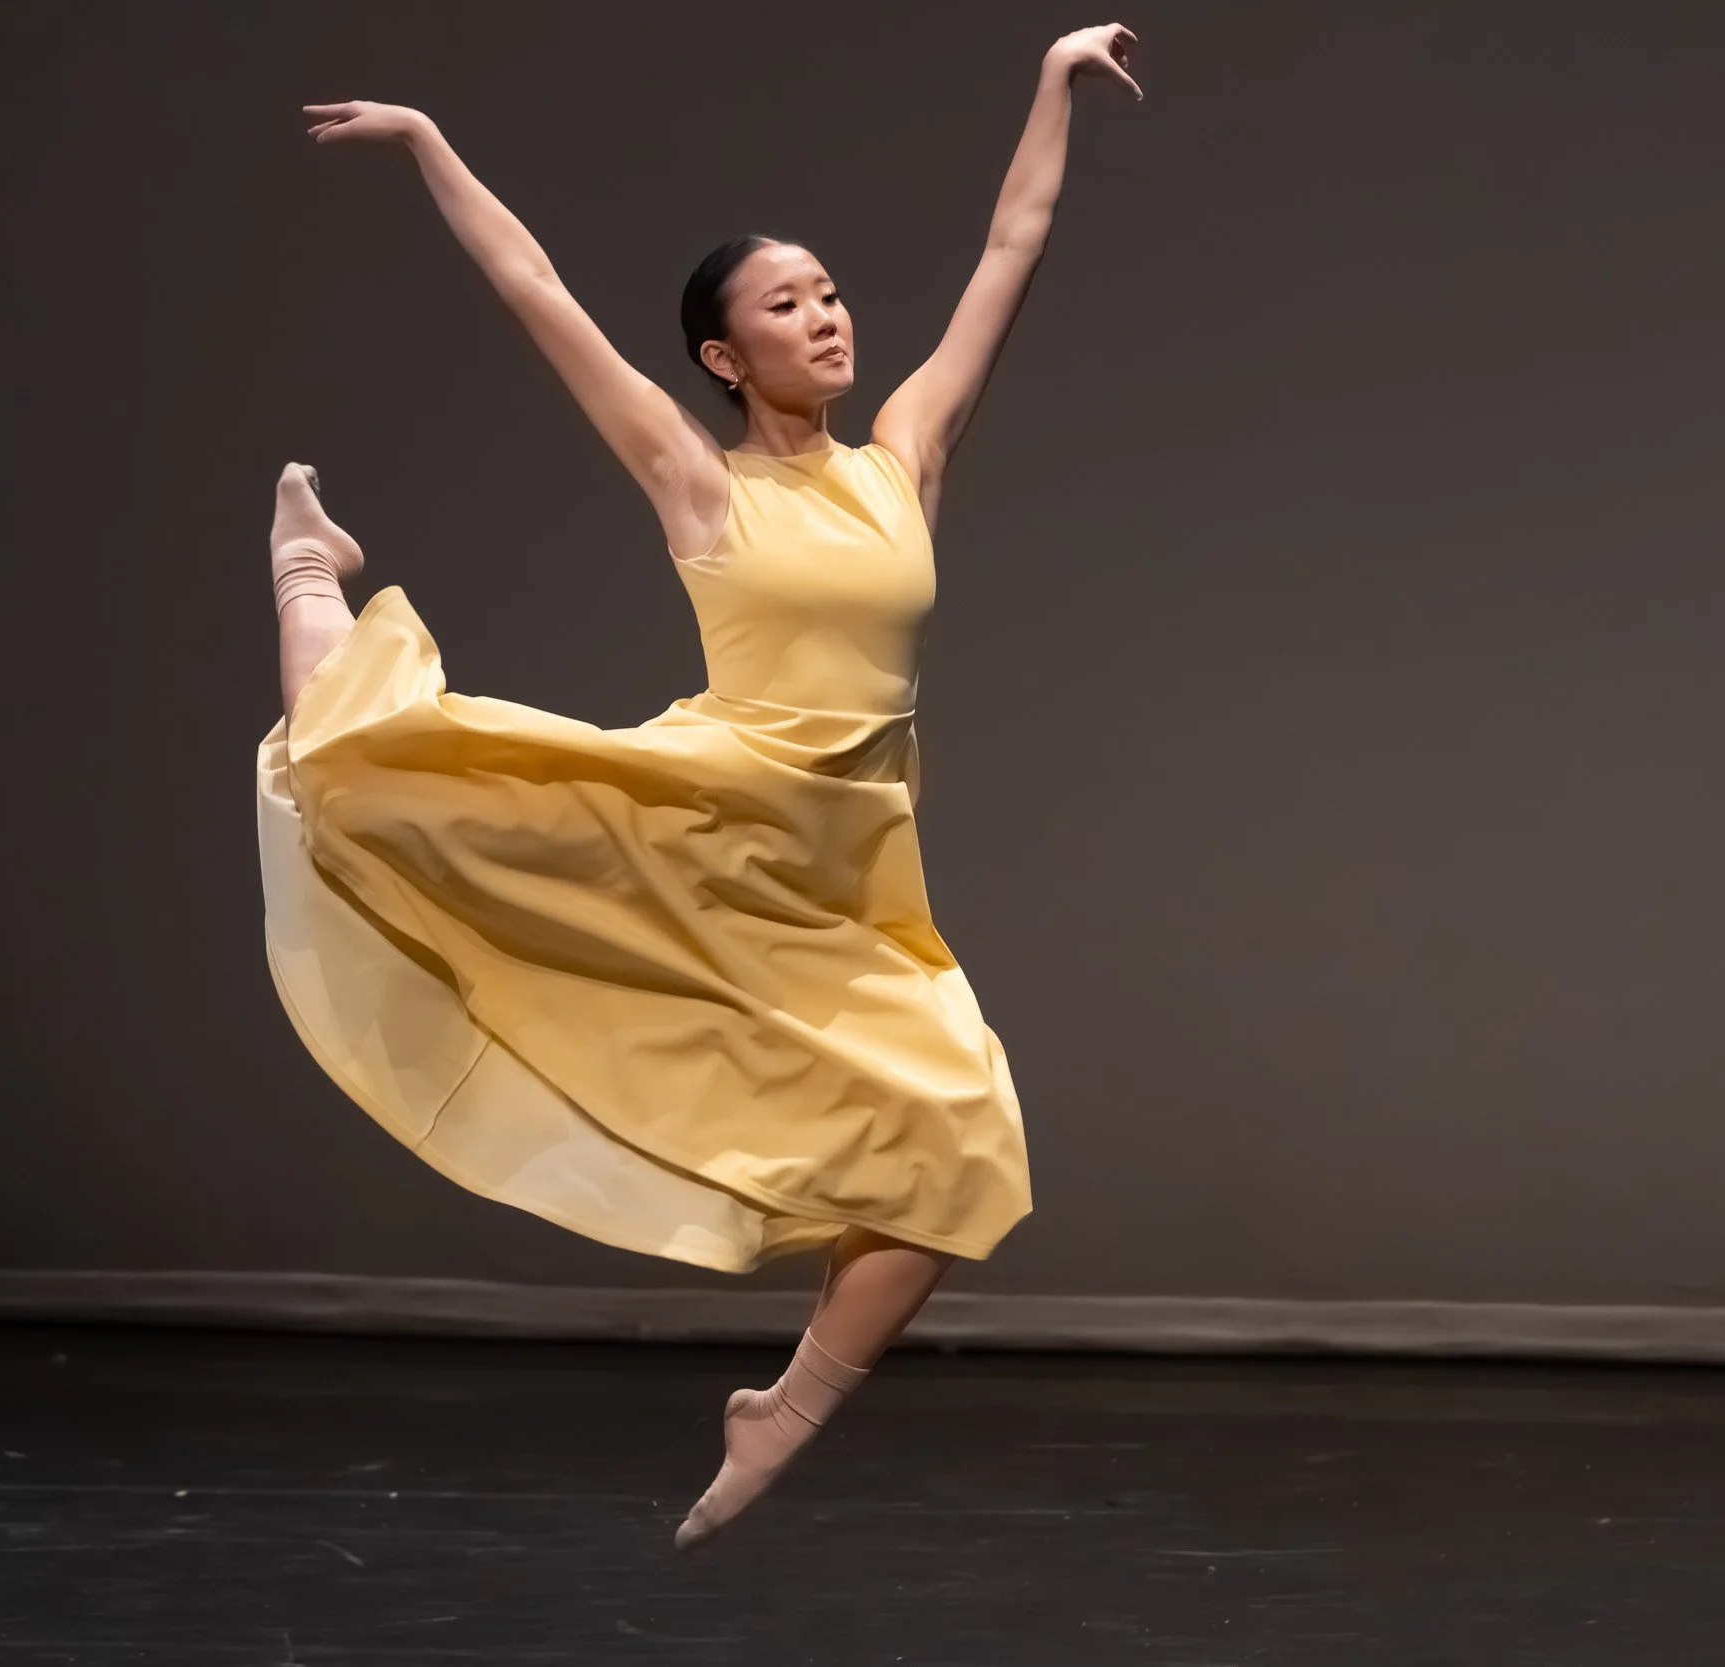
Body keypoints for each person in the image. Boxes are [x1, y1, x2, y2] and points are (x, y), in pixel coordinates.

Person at [255, 23, 1141, 1548]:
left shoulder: (905, 456)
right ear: (727, 356)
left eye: (830, 293)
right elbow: (541, 295)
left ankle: (781, 1405)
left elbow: (1016, 239)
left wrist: (1052, 76)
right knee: (382, 770)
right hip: (715, 812)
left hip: (848, 868)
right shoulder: (697, 481)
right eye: (785, 306)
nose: (825, 318)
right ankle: (303, 564)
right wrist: (426, 143)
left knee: (964, 1148)